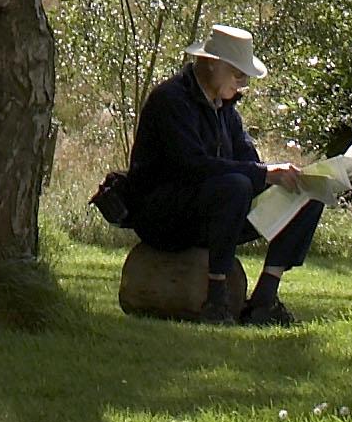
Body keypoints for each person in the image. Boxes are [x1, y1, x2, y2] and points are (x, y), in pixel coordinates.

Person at [121, 24, 324, 326]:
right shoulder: (171, 100)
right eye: (238, 74)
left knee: (307, 193)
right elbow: (192, 166)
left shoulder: (227, 108)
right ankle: (216, 299)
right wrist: (262, 174)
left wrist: (282, 176)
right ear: (212, 64)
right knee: (236, 184)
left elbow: (249, 161)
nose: (242, 84)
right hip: (164, 215)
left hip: (218, 211)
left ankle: (263, 301)